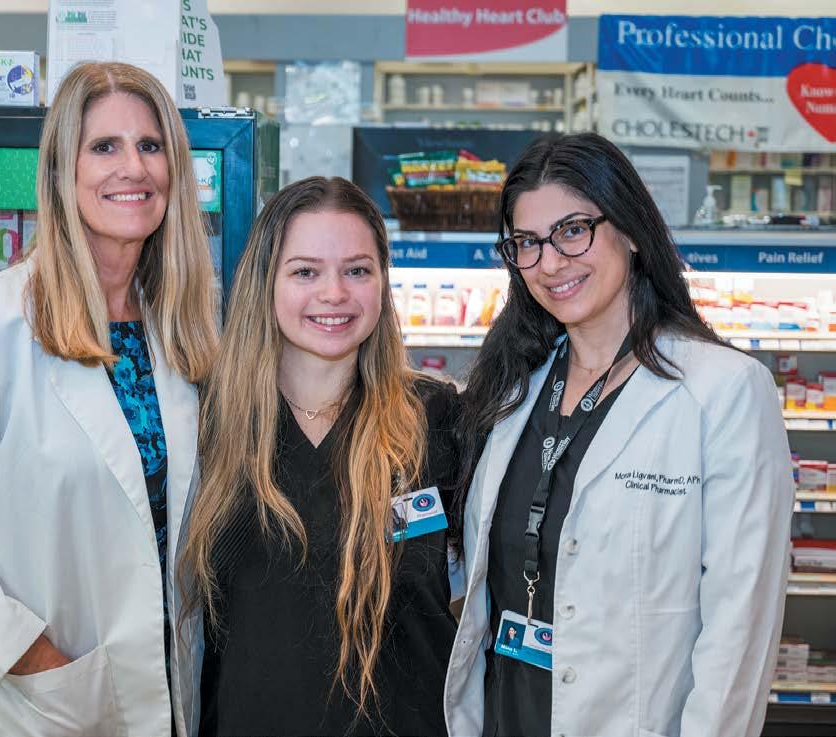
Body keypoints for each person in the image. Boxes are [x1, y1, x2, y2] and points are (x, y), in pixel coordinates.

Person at [0, 61, 217, 737]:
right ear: (61, 171)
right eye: (104, 146)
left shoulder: (180, 330)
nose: (133, 168)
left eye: (150, 146)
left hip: (167, 697)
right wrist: (29, 654)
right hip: (40, 703)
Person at [444, 133, 793, 737]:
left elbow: (740, 628)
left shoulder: (725, 392)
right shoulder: (512, 388)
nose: (550, 263)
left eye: (573, 230)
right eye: (527, 243)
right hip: (507, 715)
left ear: (630, 231)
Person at [179, 177, 459, 737]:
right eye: (305, 271)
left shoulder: (437, 419)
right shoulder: (206, 423)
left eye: (357, 270)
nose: (334, 293)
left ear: (383, 282)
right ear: (265, 281)